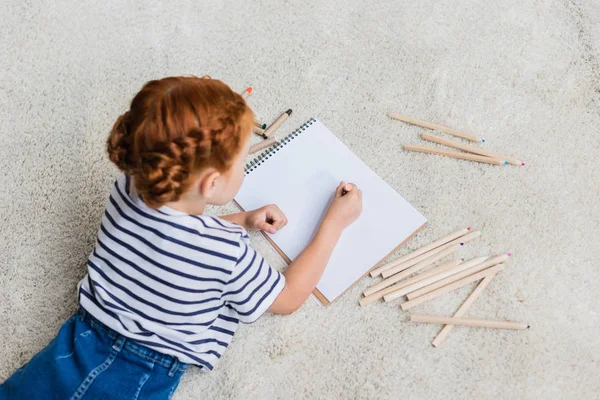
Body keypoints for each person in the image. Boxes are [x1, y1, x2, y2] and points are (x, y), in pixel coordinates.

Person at [0, 76, 362, 399]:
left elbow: (176, 237)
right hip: (141, 372)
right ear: (212, 184)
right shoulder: (226, 252)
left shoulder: (128, 188)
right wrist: (334, 223)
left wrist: (241, 220)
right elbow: (287, 297)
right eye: (241, 160)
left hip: (77, 342)